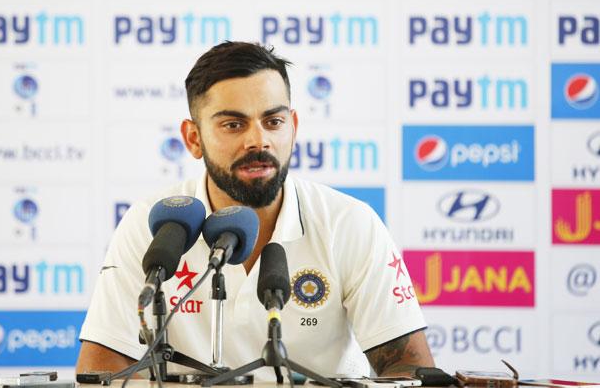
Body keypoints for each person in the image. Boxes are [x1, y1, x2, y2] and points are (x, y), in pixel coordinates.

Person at [76, 41, 434, 378]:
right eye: (233, 124)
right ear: (193, 139)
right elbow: (100, 369)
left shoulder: (349, 223)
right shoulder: (151, 223)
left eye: (273, 122)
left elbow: (407, 366)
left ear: (292, 128)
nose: (258, 140)